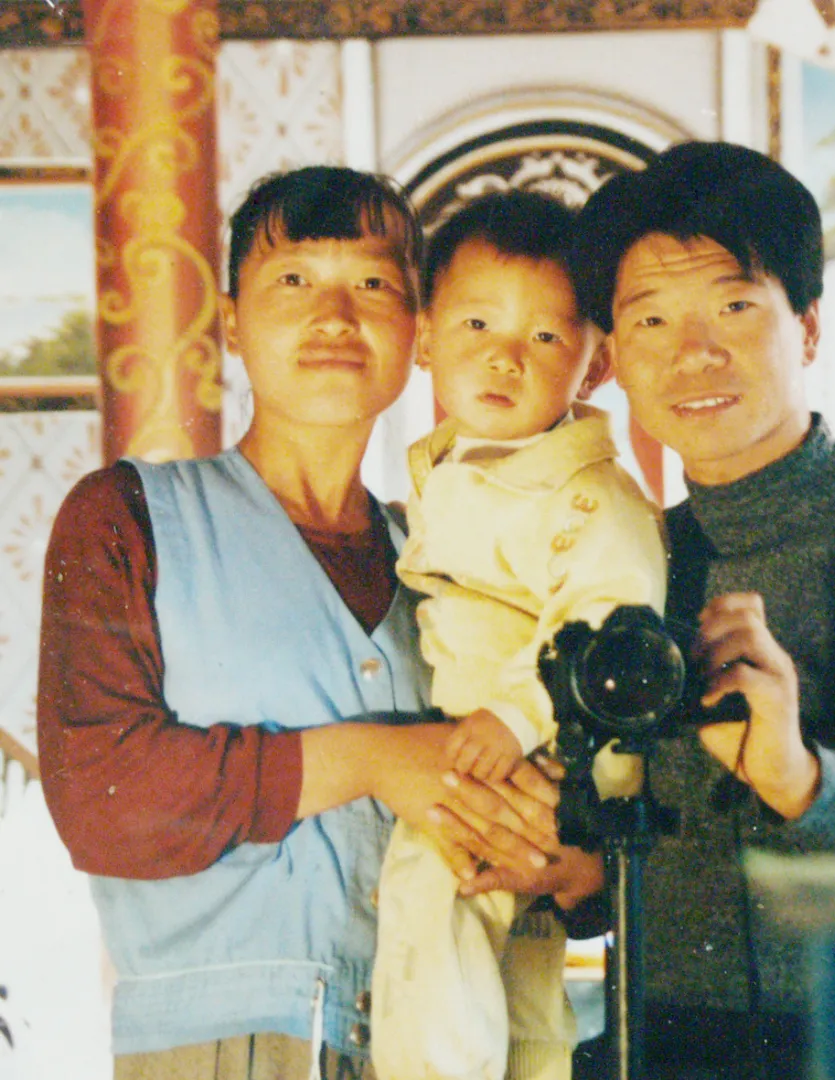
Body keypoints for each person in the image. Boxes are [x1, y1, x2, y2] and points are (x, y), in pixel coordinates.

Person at [35, 166, 585, 1080]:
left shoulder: (446, 556)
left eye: (372, 283)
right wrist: (374, 759)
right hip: (221, 1052)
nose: (334, 316)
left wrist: (559, 856)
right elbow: (101, 801)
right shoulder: (126, 516)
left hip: (437, 1046)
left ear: (418, 330)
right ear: (231, 320)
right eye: (294, 280)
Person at [553, 141, 835, 1079]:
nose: (694, 352)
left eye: (734, 307)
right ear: (616, 357)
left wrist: (802, 780)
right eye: (651, 318)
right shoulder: (627, 557)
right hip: (649, 1044)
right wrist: (569, 870)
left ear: (805, 328)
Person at [370, 191, 667, 1080]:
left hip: (541, 744)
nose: (506, 356)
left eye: (544, 336)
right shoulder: (463, 464)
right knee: (523, 969)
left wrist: (512, 715)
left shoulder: (589, 495)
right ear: (427, 338)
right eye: (477, 325)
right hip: (519, 746)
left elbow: (611, 625)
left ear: (595, 363)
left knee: (433, 893)